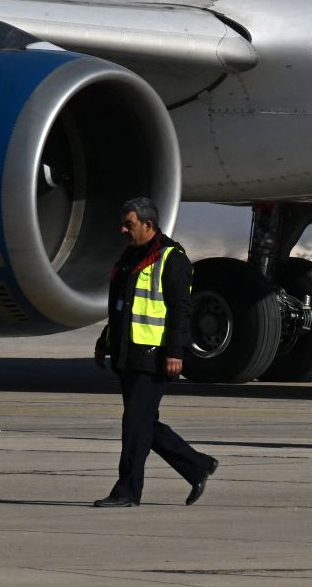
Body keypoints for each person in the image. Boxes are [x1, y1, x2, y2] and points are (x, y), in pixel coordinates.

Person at [91, 198, 218, 506]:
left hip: (155, 356)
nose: (122, 230)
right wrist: (105, 341)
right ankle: (197, 464)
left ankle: (127, 492)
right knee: (144, 422)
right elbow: (122, 308)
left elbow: (180, 310)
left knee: (134, 424)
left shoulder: (172, 259)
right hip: (128, 354)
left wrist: (175, 352)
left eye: (129, 224)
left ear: (148, 225)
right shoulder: (129, 257)